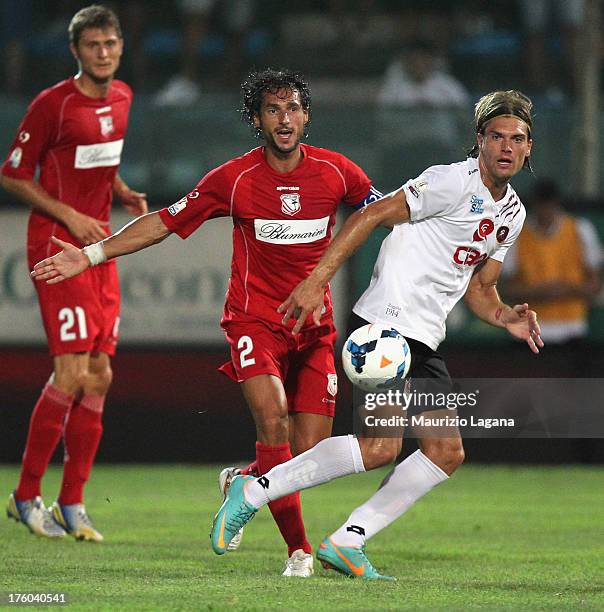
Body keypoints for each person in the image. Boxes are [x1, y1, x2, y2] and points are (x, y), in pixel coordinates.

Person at [29, 68, 383, 576]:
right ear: (257, 120)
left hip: (315, 330)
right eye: (272, 110)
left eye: (293, 109)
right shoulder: (233, 179)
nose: (284, 119)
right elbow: (162, 223)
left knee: (307, 452)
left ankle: (243, 481)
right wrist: (90, 256)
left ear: (307, 116)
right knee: (272, 419)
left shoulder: (337, 172)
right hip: (254, 322)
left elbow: (382, 212)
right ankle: (299, 553)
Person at [206, 90, 544, 580]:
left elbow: (482, 288)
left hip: (424, 336)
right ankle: (254, 490)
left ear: (529, 147)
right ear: (480, 141)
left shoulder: (512, 213)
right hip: (386, 327)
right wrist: (318, 279)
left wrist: (505, 316)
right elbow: (369, 214)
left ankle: (347, 540)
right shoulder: (449, 181)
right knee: (381, 446)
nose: (506, 147)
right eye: (496, 137)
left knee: (445, 451)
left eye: (516, 139)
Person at [1, 5, 148, 542]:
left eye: (110, 44)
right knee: (70, 374)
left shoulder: (125, 97)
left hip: (100, 248)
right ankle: (24, 495)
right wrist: (68, 214)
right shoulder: (52, 105)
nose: (103, 53)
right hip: (56, 246)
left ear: (119, 47)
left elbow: (98, 163)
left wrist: (121, 191)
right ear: (76, 51)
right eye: (93, 46)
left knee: (101, 376)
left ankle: (73, 502)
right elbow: (14, 175)